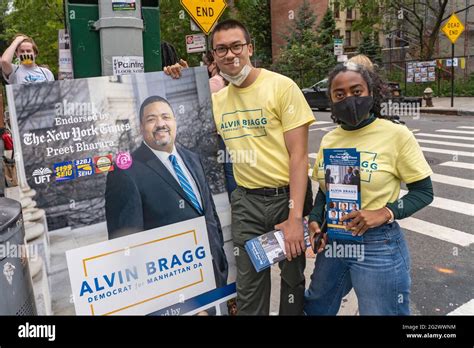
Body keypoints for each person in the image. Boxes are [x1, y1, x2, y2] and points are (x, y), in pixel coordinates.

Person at [165, 19, 315, 315]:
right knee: (248, 290)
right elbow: (174, 127)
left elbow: (298, 156)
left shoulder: (282, 87)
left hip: (288, 198)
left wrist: (295, 216)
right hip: (247, 202)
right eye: (221, 49)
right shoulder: (217, 102)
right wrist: (174, 80)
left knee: (293, 281)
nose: (230, 55)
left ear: (250, 48)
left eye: (236, 46)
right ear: (214, 56)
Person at [305, 61, 434, 315]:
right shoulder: (330, 139)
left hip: (378, 245)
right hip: (335, 241)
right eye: (339, 94)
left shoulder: (396, 134)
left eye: (356, 91)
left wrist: (384, 212)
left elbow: (424, 192)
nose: (349, 100)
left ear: (371, 93)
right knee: (316, 306)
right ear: (331, 100)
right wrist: (314, 220)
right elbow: (325, 190)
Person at [104, 95, 228, 288]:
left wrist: (219, 256)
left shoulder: (192, 158)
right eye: (151, 119)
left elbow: (209, 215)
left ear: (174, 121)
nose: (160, 124)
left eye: (165, 117)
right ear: (140, 127)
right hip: (174, 288)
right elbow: (126, 247)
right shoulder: (125, 172)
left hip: (215, 274)